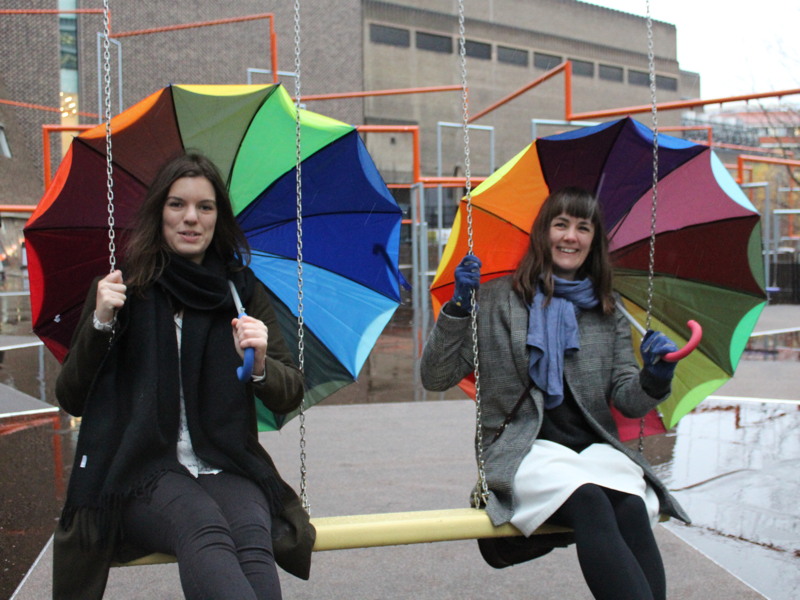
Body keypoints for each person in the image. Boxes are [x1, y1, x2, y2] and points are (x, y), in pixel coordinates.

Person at [53, 152, 314, 600]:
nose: (191, 218)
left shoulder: (240, 292)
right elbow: (72, 396)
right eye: (177, 204)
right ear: (160, 212)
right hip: (141, 470)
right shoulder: (123, 290)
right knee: (204, 526)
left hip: (224, 461)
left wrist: (260, 363)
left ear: (218, 218)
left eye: (205, 207)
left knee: (253, 536)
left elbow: (290, 394)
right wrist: (99, 323)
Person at [420, 187, 690, 600]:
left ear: (593, 241)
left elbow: (627, 399)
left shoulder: (607, 310)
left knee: (631, 507)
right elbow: (435, 377)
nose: (571, 237)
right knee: (589, 500)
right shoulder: (495, 300)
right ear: (543, 233)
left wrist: (657, 375)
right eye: (561, 224)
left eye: (583, 227)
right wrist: (458, 308)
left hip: (592, 448)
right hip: (525, 448)